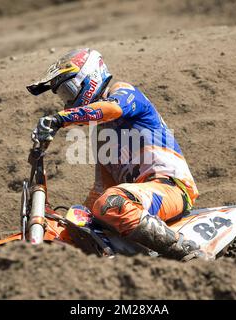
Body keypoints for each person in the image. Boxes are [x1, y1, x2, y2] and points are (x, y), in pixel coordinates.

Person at [27, 48, 200, 261]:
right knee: (85, 216)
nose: (67, 101)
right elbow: (101, 189)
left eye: (68, 91)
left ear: (88, 78)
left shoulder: (124, 92)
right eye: (63, 96)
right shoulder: (101, 135)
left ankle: (188, 253)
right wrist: (75, 223)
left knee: (112, 203)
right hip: (138, 197)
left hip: (172, 188)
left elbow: (113, 108)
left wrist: (60, 118)